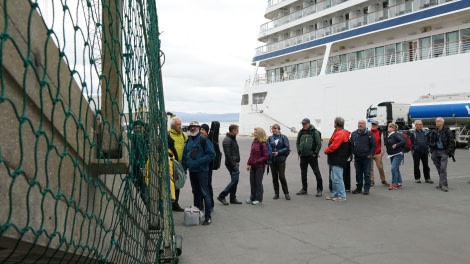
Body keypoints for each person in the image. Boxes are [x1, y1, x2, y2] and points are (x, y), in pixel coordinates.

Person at [182, 121, 216, 225]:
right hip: (192, 171)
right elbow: (185, 156)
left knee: (205, 193)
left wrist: (199, 162)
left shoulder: (203, 139)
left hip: (202, 171)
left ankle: (208, 217)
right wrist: (184, 169)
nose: (192, 128)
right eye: (191, 127)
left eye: (195, 127)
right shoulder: (188, 141)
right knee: (195, 193)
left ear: (198, 128)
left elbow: (212, 154)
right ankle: (196, 215)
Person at [324, 117, 351, 201]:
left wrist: (326, 150)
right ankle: (335, 194)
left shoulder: (340, 133)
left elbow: (334, 146)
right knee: (334, 178)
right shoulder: (341, 132)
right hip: (336, 159)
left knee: (338, 178)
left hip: (337, 159)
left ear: (336, 123)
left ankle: (342, 196)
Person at [296, 118, 323, 197]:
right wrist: (299, 152)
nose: (303, 125)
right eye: (302, 124)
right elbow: (297, 142)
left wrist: (315, 153)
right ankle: (304, 189)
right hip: (303, 156)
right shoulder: (301, 132)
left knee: (316, 172)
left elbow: (319, 144)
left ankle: (319, 189)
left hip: (312, 156)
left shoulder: (314, 132)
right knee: (303, 173)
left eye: (305, 124)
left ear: (309, 123)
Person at [217, 124, 242, 205]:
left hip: (234, 162)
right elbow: (227, 153)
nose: (238, 131)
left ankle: (232, 198)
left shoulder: (232, 138)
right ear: (233, 130)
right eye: (237, 130)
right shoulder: (227, 140)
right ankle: (222, 195)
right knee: (235, 180)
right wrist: (233, 164)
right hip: (232, 163)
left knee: (235, 180)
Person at [428, 117, 455, 192]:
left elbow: (451, 142)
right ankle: (443, 183)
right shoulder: (434, 131)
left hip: (444, 152)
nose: (437, 123)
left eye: (439, 121)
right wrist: (432, 150)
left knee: (443, 168)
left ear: (442, 122)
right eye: (436, 121)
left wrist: (448, 151)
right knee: (439, 168)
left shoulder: (447, 131)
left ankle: (443, 185)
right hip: (435, 151)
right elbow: (430, 141)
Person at [350, 120, 376, 195]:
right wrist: (351, 154)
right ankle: (359, 188)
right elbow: (351, 145)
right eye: (359, 123)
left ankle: (366, 189)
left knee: (367, 173)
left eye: (362, 124)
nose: (360, 125)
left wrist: (371, 154)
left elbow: (373, 145)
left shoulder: (369, 134)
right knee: (358, 173)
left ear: (365, 125)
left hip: (366, 157)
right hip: (357, 157)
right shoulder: (354, 134)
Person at [168, 116, 187, 212]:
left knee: (178, 185)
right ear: (172, 126)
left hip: (180, 165)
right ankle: (169, 203)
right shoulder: (168, 135)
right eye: (178, 124)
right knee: (170, 185)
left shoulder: (183, 135)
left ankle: (175, 203)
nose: (180, 126)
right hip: (170, 165)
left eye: (180, 124)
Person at [268, 124, 291, 200]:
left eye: (275, 128)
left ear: (279, 129)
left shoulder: (283, 137)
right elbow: (267, 147)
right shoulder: (270, 138)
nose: (274, 130)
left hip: (281, 160)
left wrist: (279, 152)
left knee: (281, 176)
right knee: (274, 177)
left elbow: (287, 148)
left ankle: (286, 193)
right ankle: (276, 193)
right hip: (272, 160)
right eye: (273, 129)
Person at [246, 127, 269, 205]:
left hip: (260, 166)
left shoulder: (263, 144)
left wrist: (257, 161)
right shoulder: (254, 142)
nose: (254, 134)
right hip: (253, 166)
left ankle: (259, 199)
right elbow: (251, 154)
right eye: (254, 132)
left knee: (258, 183)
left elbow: (266, 156)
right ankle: (252, 197)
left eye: (256, 132)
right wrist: (248, 164)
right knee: (252, 182)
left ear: (259, 134)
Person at [408, 120, 433, 184]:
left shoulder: (426, 132)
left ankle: (427, 178)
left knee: (426, 165)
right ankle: (417, 178)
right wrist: (414, 147)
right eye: (419, 124)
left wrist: (428, 147)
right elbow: (410, 142)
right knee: (416, 165)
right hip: (416, 151)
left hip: (424, 151)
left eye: (421, 124)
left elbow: (429, 140)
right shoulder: (412, 132)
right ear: (415, 125)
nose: (420, 125)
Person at [385, 123, 407, 190]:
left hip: (398, 154)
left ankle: (394, 184)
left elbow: (403, 141)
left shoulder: (395, 134)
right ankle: (399, 182)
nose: (389, 127)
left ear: (394, 129)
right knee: (396, 168)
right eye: (388, 126)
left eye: (390, 126)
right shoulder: (389, 135)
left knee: (393, 168)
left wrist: (396, 145)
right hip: (392, 154)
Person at [200, 123, 215, 210]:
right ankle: (201, 204)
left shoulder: (208, 140)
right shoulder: (200, 139)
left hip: (207, 167)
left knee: (207, 185)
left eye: (203, 130)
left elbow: (211, 154)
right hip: (202, 167)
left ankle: (210, 204)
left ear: (207, 131)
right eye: (200, 129)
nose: (201, 131)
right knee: (202, 186)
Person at [370, 121, 389, 187]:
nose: (373, 126)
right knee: (370, 168)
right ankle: (372, 180)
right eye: (372, 124)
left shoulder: (380, 133)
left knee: (380, 167)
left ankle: (383, 180)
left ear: (377, 126)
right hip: (370, 153)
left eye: (375, 125)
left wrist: (382, 152)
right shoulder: (368, 133)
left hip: (378, 153)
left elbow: (382, 143)